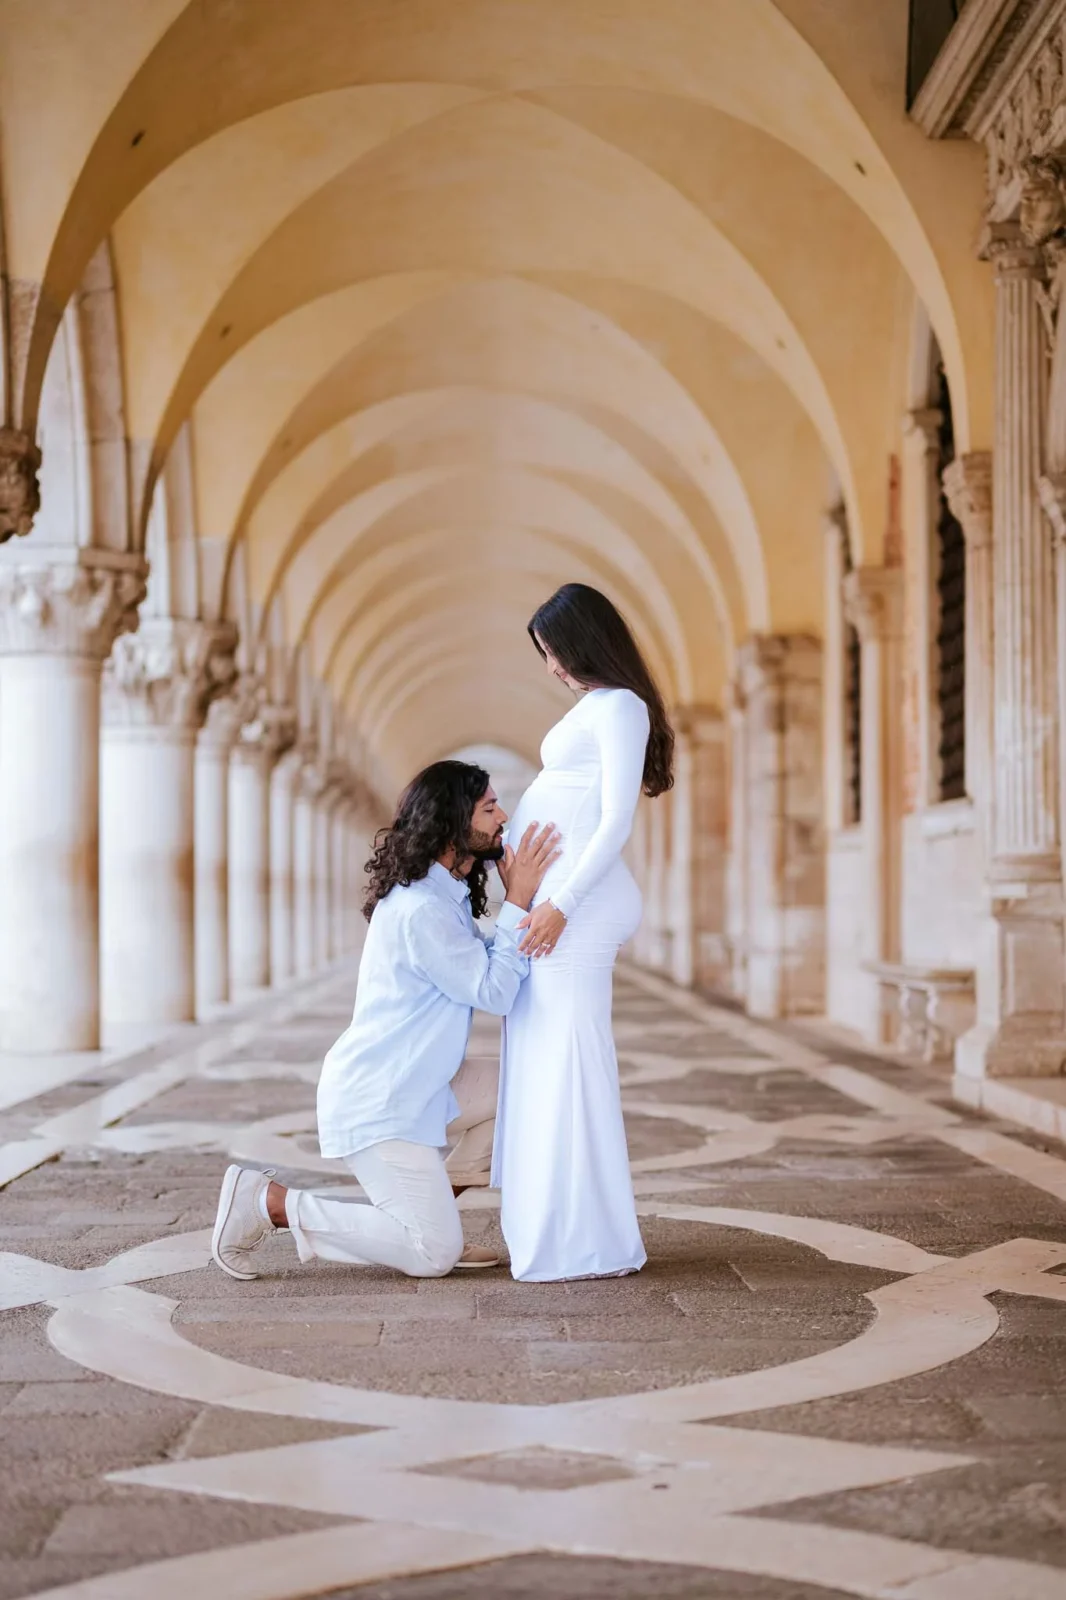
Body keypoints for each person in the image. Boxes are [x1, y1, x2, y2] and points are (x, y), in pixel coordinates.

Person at [211, 760, 560, 1282]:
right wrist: (517, 901)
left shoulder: (441, 897)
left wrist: (520, 912)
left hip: (420, 1084)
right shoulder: (421, 908)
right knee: (433, 1255)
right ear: (452, 822)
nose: (502, 816)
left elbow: (482, 952)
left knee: (528, 1086)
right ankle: (271, 1201)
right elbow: (494, 991)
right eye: (489, 807)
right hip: (381, 1102)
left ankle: (428, 1211)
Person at [494, 583, 674, 1281]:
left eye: (553, 652)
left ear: (583, 641)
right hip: (559, 907)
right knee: (541, 1058)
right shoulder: (595, 709)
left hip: (583, 909)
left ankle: (587, 1237)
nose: (551, 668)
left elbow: (615, 822)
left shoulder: (622, 707)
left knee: (568, 1059)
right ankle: (555, 1227)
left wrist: (561, 901)